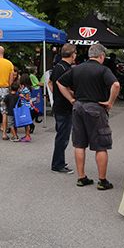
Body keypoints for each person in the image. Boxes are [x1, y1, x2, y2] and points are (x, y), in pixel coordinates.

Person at [57, 43, 119, 190]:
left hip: (78, 107)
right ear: (102, 55)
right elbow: (115, 85)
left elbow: (60, 82)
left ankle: (81, 177)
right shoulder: (104, 70)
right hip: (96, 108)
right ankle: (102, 181)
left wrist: (71, 99)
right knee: (101, 145)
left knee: (79, 144)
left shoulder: (76, 68)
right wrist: (110, 102)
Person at [49, 43, 77, 173]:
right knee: (63, 136)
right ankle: (58, 164)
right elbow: (69, 88)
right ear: (73, 54)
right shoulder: (67, 69)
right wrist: (73, 95)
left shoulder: (57, 67)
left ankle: (59, 161)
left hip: (58, 105)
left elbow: (49, 82)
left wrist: (55, 93)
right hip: (65, 107)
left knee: (61, 134)